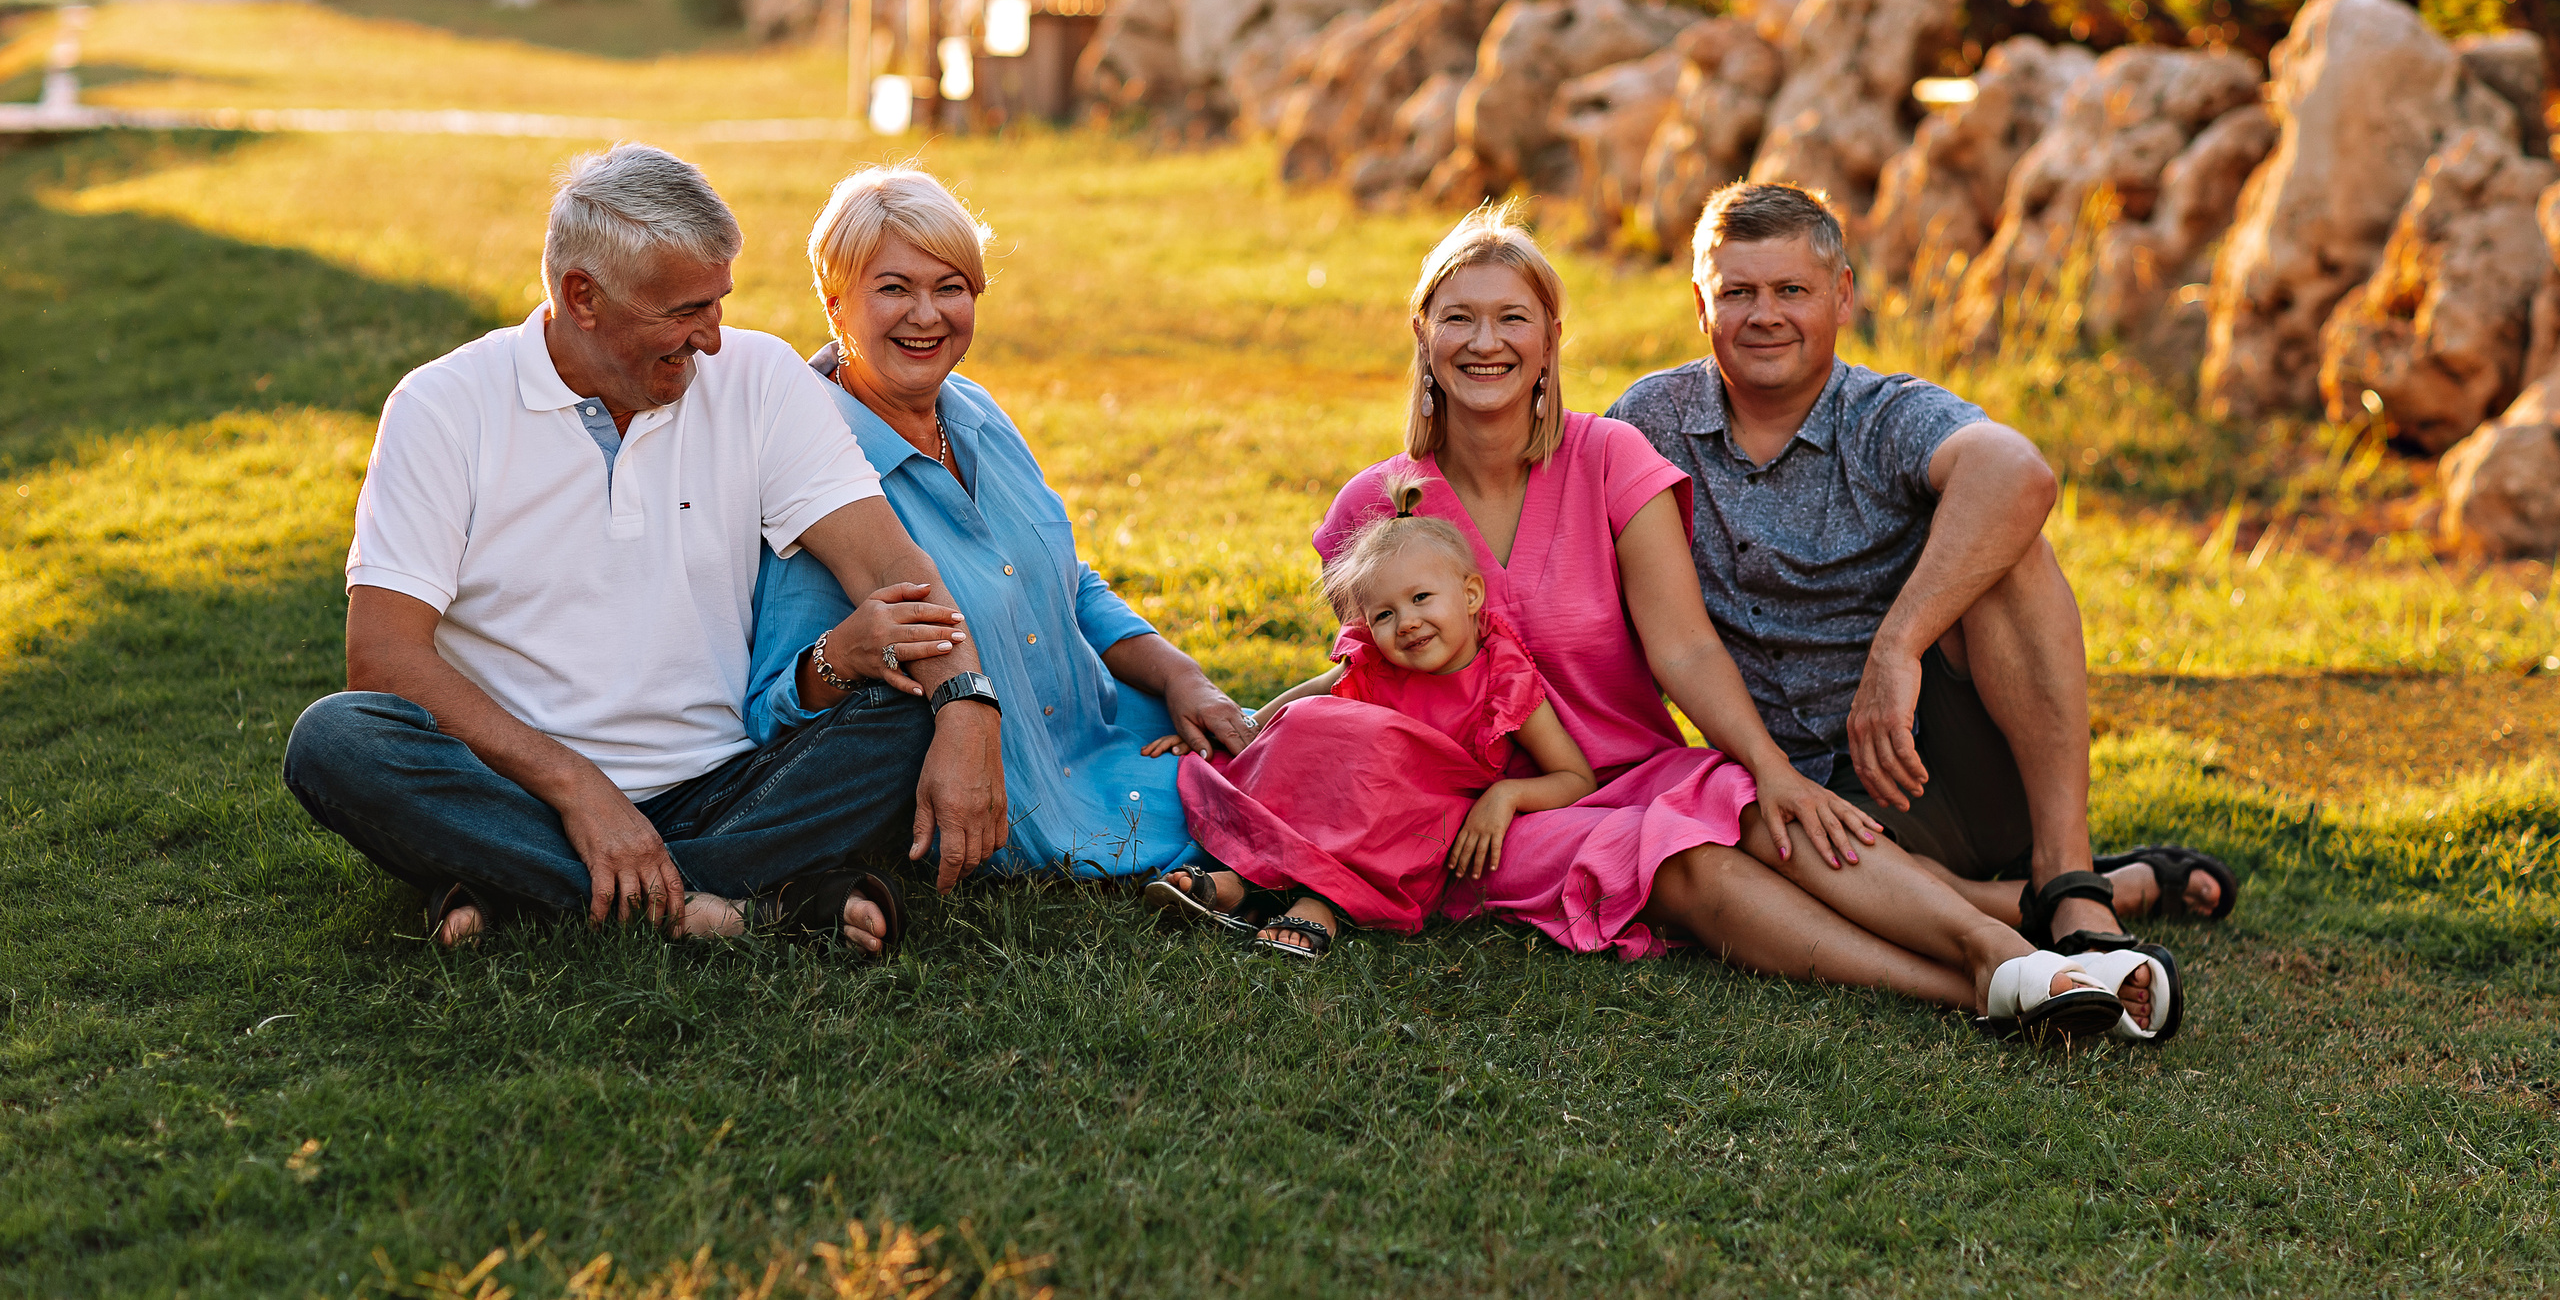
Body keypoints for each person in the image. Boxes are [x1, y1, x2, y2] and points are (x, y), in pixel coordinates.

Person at [1316, 203, 2175, 1039]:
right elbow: (1366, 691)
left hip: (1648, 770)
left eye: (1512, 318)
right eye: (1459, 319)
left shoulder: (1610, 452)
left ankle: (2019, 932)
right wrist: (1251, 724)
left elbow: (1682, 641)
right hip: (1492, 818)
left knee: (1759, 809)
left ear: (1549, 342)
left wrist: (1771, 763)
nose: (1486, 341)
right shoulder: (1379, 504)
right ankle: (1990, 980)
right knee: (1685, 864)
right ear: (1424, 335)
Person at [284, 144, 1008, 955]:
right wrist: (575, 787)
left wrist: (969, 704)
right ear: (581, 296)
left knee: (907, 713)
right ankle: (740, 905)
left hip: (731, 786)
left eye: (718, 301)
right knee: (337, 740)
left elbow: (888, 568)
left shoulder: (761, 379)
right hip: (518, 785)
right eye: (682, 311)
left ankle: (521, 887)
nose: (712, 337)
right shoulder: (442, 407)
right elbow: (382, 657)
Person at [1606, 180, 2238, 956]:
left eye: (1791, 290)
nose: (1764, 314)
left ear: (1841, 297)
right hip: (1780, 789)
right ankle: (2040, 898)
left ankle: (2071, 878)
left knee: (2010, 552)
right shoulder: (1650, 422)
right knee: (1712, 840)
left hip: (1934, 761)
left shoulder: (1882, 413)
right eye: (1738, 292)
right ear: (1701, 306)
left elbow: (2020, 471)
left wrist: (1896, 647)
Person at [744, 164, 1254, 879]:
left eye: (950, 287)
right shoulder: (821, 474)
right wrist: (840, 655)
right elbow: (771, 712)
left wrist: (1182, 676)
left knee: (1327, 742)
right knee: (1313, 795)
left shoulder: (974, 408)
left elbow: (1067, 584)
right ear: (833, 304)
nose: (927, 315)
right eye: (894, 288)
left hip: (1115, 743)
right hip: (1030, 809)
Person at [1138, 474, 1597, 961]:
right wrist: (1237, 732)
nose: (1408, 623)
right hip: (1338, 809)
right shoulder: (1374, 666)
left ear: (1471, 595)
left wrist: (1506, 794)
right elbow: (1305, 697)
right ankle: (1243, 882)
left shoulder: (1502, 682)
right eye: (1384, 615)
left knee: (1377, 751)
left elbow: (1576, 778)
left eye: (1421, 598)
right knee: (1310, 719)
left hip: (1411, 827)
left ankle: (1323, 902)